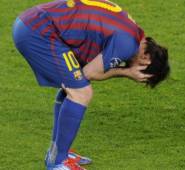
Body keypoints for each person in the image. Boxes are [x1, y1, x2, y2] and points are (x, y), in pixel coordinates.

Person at [12, 0, 170, 169]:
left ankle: (58, 151)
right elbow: (90, 73)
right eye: (142, 74)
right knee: (82, 92)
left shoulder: (133, 30)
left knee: (74, 86)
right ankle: (58, 162)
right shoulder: (128, 44)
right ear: (146, 59)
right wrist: (126, 72)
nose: (135, 73)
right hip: (39, 32)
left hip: (34, 23)